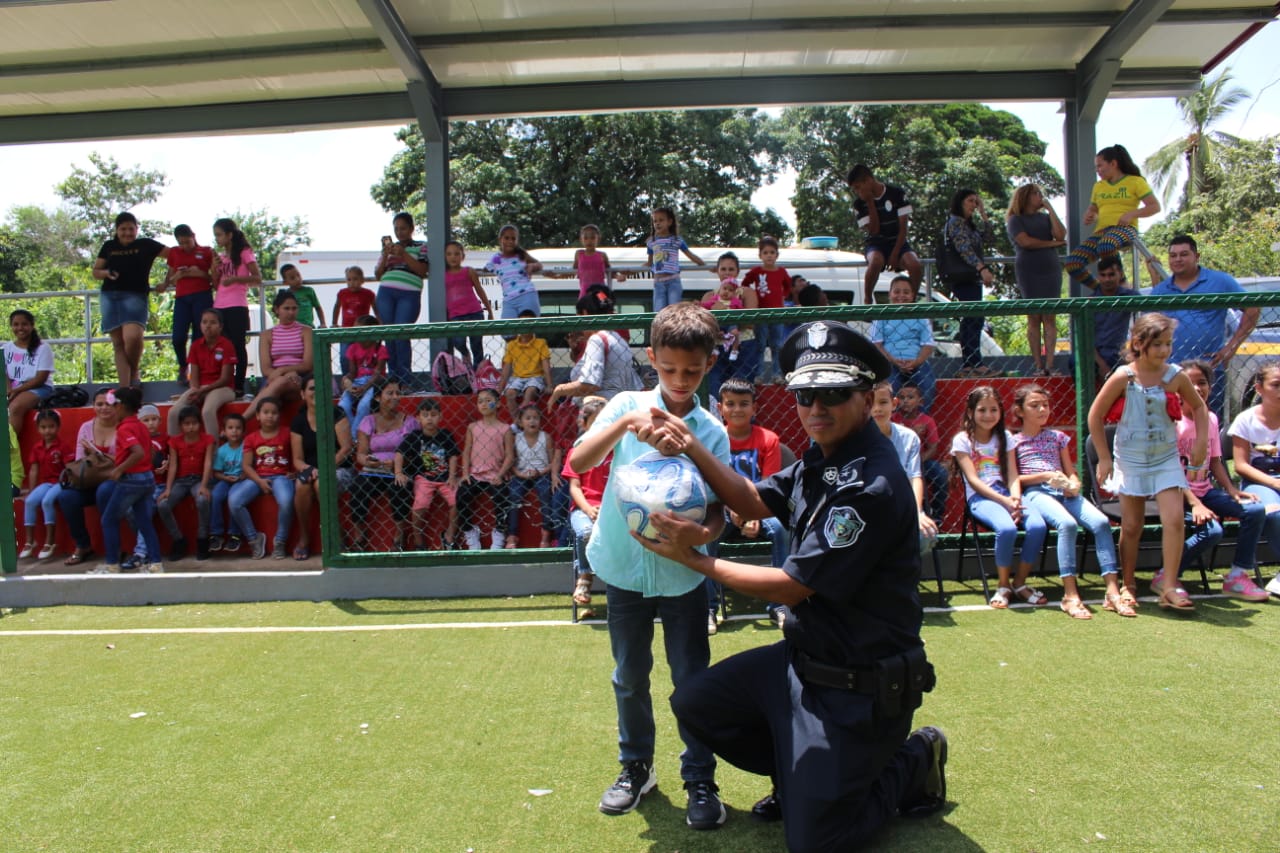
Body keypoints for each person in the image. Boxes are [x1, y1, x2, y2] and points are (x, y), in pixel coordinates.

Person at [629, 319, 946, 848]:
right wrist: (692, 448)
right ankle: (799, 780)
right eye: (804, 395)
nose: (816, 408)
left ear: (867, 397)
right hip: (803, 664)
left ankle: (913, 759)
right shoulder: (824, 458)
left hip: (859, 687)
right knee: (696, 703)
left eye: (833, 394)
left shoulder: (871, 483)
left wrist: (694, 559)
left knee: (815, 843)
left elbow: (790, 587)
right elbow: (752, 500)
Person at [568, 302, 730, 831]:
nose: (680, 380)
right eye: (669, 368)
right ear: (652, 359)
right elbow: (579, 462)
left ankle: (700, 778)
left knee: (692, 680)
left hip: (683, 574)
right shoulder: (625, 405)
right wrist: (626, 425)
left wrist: (698, 537)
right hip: (623, 569)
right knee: (629, 675)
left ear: (709, 364)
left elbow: (718, 512)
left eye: (692, 371)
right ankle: (636, 768)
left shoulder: (710, 431)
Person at [1088, 314, 1208, 613]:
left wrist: (1201, 443)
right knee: (1132, 525)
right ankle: (1128, 584)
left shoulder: (1175, 376)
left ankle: (1169, 586)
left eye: (1168, 343)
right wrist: (1104, 457)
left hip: (1165, 457)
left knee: (1174, 519)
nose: (1164, 350)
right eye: (1157, 344)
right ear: (1138, 344)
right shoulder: (1123, 377)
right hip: (1131, 458)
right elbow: (1095, 416)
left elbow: (1199, 407)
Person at [1012, 383, 1120, 619]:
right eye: (1034, 406)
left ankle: (1112, 591)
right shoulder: (1014, 441)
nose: (1042, 410)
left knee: (1101, 522)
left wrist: (1074, 485)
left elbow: (1071, 472)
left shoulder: (1057, 438)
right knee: (1067, 524)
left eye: (1045, 405)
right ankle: (1070, 595)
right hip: (1037, 492)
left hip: (1065, 491)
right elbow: (1014, 478)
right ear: (1019, 411)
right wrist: (1044, 476)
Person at [1164, 360, 1270, 601]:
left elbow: (1214, 461)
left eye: (1202, 382)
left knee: (1254, 510)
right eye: (1189, 383)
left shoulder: (1210, 418)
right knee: (1212, 531)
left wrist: (1232, 490)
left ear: (1210, 387)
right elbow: (1169, 471)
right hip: (1176, 494)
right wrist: (1195, 504)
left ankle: (1237, 576)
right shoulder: (1172, 421)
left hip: (1205, 491)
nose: (1197, 388)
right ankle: (1168, 574)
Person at [950, 385, 1049, 608]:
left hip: (1008, 494)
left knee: (1037, 526)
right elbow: (973, 480)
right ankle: (1003, 586)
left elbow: (1013, 474)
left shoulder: (1005, 437)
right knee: (1007, 529)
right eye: (982, 410)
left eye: (993, 410)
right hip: (981, 498)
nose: (988, 415)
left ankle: (1020, 583)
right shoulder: (962, 440)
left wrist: (1015, 499)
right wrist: (1005, 502)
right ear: (970, 412)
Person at [1149, 234, 1258, 416]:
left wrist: (1231, 347)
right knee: (1171, 422)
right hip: (1170, 371)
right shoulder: (1161, 290)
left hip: (1208, 370)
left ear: (1196, 256)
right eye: (1173, 255)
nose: (1178, 259)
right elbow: (1150, 327)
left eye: (1184, 254)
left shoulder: (1220, 281)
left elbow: (1253, 309)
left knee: (1210, 421)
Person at [715, 377, 789, 628]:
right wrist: (735, 509)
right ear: (720, 408)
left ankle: (780, 605)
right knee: (705, 532)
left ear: (755, 408)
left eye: (744, 404)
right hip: (725, 507)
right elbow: (714, 483)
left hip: (760, 506)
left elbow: (768, 484)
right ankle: (708, 607)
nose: (737, 409)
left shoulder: (769, 439)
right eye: (730, 404)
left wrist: (752, 513)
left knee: (780, 528)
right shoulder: (714, 440)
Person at [1065, 144, 1161, 292]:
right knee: (1073, 263)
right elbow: (1093, 208)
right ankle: (1103, 289)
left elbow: (1154, 206)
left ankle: (1122, 282)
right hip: (1102, 231)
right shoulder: (1098, 186)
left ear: (1113, 164)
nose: (1097, 170)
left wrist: (1131, 214)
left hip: (1125, 229)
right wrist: (1090, 215)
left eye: (1100, 166)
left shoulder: (1135, 182)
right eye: (1096, 167)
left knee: (1106, 245)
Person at [92, 212, 170, 387]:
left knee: (133, 337)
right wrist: (106, 273)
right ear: (116, 230)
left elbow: (175, 256)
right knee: (118, 344)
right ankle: (125, 387)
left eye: (131, 229)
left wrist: (166, 281)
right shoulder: (109, 246)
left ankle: (134, 370)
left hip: (135, 295)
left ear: (136, 229)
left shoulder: (146, 244)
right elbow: (96, 271)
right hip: (110, 296)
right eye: (123, 229)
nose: (127, 233)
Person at [93, 387, 164, 575]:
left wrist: (119, 469)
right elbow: (149, 452)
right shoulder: (141, 426)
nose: (110, 409)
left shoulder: (125, 428)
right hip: (148, 479)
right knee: (144, 522)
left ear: (121, 406)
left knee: (109, 519)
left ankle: (112, 564)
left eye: (113, 405)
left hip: (132, 480)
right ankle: (156, 563)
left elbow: (138, 452)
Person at [1227, 360, 1280, 599]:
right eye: (1276, 385)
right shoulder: (1246, 420)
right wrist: (1274, 483)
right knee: (1275, 513)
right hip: (1258, 483)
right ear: (1259, 388)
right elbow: (1241, 466)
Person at [870, 380, 941, 557]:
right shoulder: (855, 438)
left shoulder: (909, 438)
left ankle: (901, 572)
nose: (877, 409)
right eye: (871, 403)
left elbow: (915, 477)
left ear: (894, 404)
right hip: (870, 507)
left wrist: (917, 512)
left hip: (903, 505)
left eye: (883, 402)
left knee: (924, 535)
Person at [347, 377, 417, 551]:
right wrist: (367, 461)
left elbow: (414, 454)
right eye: (390, 393)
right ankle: (359, 536)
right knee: (358, 487)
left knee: (399, 487)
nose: (395, 397)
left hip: (399, 469)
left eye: (398, 393)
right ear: (378, 397)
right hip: (374, 470)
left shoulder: (409, 422)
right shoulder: (368, 421)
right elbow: (361, 454)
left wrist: (395, 464)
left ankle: (399, 537)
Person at [545, 287, 644, 406]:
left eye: (577, 316)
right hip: (617, 406)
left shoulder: (597, 340)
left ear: (585, 313)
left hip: (600, 409)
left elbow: (590, 384)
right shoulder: (616, 338)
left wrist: (560, 390)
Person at [290, 375, 354, 560]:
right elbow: (297, 459)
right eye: (311, 388)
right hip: (312, 470)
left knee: (321, 484)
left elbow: (346, 449)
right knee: (301, 486)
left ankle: (337, 535)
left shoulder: (337, 413)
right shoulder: (298, 421)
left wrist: (325, 469)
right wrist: (309, 470)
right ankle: (304, 538)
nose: (316, 392)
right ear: (302, 394)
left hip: (339, 469)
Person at [1006, 184, 1067, 375]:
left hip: (1050, 268)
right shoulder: (1015, 219)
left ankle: (1050, 364)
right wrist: (1052, 244)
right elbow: (1025, 242)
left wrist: (1050, 209)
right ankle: (1038, 365)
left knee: (1050, 316)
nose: (1040, 196)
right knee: (1033, 316)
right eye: (1036, 193)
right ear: (1025, 197)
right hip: (1029, 269)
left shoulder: (1045, 218)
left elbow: (1061, 234)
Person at [57, 387, 120, 567]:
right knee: (66, 497)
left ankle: (112, 549)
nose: (104, 408)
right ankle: (83, 545)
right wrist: (104, 458)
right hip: (89, 481)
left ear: (117, 405)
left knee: (104, 491)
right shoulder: (85, 427)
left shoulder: (124, 427)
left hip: (116, 480)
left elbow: (125, 461)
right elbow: (80, 461)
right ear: (93, 406)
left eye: (108, 404)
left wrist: (96, 454)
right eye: (99, 404)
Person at [846, 164, 924, 305]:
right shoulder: (859, 204)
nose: (857, 192)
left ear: (868, 180)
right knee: (876, 261)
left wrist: (895, 254)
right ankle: (868, 298)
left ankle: (912, 300)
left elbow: (903, 229)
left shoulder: (897, 194)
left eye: (858, 187)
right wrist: (870, 202)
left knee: (915, 265)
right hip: (876, 244)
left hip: (898, 241)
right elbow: (874, 231)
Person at [940, 188, 998, 377]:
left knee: (975, 317)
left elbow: (989, 238)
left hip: (971, 277)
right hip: (963, 276)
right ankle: (972, 362)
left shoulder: (969, 224)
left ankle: (972, 362)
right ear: (960, 202)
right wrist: (982, 269)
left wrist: (983, 214)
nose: (974, 205)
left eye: (976, 201)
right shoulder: (956, 222)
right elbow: (964, 249)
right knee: (972, 317)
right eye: (970, 201)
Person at [228, 397, 294, 560]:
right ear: (257, 415)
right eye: (266, 412)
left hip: (281, 477)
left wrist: (294, 472)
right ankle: (254, 539)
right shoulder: (251, 438)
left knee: (286, 501)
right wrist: (259, 481)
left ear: (279, 415)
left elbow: (297, 455)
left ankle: (280, 541)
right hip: (257, 477)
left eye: (274, 412)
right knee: (234, 501)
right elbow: (246, 465)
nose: (270, 416)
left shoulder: (287, 433)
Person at [393, 397, 461, 552]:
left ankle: (449, 535)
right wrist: (398, 472)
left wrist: (452, 476)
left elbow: (453, 456)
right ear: (418, 418)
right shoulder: (415, 436)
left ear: (440, 416)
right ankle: (418, 539)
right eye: (425, 415)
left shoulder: (445, 434)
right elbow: (399, 453)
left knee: (457, 501)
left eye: (433, 415)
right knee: (419, 506)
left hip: (444, 478)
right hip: (424, 478)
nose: (429, 418)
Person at [562, 397, 609, 611]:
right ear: (584, 423)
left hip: (613, 509)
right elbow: (575, 488)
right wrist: (589, 509)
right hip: (585, 508)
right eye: (596, 421)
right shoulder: (577, 451)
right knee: (586, 532)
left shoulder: (618, 450)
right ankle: (585, 577)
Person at [457, 387, 515, 550]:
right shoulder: (473, 427)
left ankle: (499, 532)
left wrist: (501, 474)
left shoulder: (505, 429)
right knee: (462, 496)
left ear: (498, 404)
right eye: (480, 401)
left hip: (496, 475)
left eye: (488, 401)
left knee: (502, 499)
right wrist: (465, 473)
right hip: (476, 474)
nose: (483, 404)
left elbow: (510, 455)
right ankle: (469, 531)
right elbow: (467, 450)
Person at [374, 211, 428, 382]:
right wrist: (385, 255)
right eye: (396, 229)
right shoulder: (389, 249)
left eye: (403, 228)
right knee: (389, 335)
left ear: (411, 228)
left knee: (401, 333)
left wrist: (404, 254)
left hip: (409, 293)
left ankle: (405, 380)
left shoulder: (422, 246)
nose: (399, 232)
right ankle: (392, 380)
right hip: (386, 292)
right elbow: (378, 275)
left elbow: (422, 270)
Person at [869, 275, 936, 412]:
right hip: (889, 362)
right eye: (897, 291)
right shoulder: (881, 315)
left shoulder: (920, 315)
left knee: (928, 385)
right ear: (890, 294)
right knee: (889, 388)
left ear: (912, 295)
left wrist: (916, 362)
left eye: (906, 292)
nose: (901, 296)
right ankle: (893, 419)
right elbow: (876, 344)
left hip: (916, 361)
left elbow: (928, 345)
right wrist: (894, 360)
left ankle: (922, 418)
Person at [156, 406, 215, 561]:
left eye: (194, 423)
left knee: (202, 500)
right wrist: (168, 489)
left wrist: (204, 485)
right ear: (181, 426)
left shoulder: (208, 439)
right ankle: (178, 540)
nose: (191, 427)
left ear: (200, 424)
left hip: (199, 479)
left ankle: (203, 539)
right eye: (187, 424)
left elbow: (208, 463)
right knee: (163, 505)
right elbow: (173, 466)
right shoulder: (174, 442)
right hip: (181, 481)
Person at [210, 218, 261, 399]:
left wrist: (237, 279)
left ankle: (239, 385)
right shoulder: (221, 256)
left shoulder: (245, 252)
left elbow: (257, 277)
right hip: (219, 305)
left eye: (219, 235)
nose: (217, 238)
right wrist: (214, 269)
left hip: (237, 304)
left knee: (238, 346)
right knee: (221, 346)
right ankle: (224, 382)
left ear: (229, 235)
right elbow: (216, 284)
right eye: (215, 235)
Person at [244, 290, 312, 421]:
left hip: (299, 379)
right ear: (277, 310)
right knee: (280, 382)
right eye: (286, 308)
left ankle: (243, 420)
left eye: (294, 308)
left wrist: (284, 371)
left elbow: (308, 365)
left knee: (280, 382)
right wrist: (284, 374)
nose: (291, 312)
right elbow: (265, 369)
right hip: (274, 379)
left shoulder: (306, 331)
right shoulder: (266, 335)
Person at [169, 308, 237, 438]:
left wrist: (203, 390)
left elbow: (225, 379)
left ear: (220, 326)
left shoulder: (227, 345)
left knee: (207, 411)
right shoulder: (195, 346)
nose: (208, 326)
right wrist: (195, 390)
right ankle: (173, 449)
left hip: (223, 388)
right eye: (204, 322)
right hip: (200, 388)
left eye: (213, 322)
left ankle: (213, 449)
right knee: (173, 412)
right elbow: (194, 376)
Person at [160, 224, 214, 382]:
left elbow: (214, 278)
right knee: (178, 337)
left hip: (202, 296)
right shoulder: (175, 253)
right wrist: (176, 277)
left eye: (187, 242)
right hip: (182, 298)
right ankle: (183, 365)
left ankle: (197, 370)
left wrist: (199, 273)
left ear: (193, 236)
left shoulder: (207, 251)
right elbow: (170, 279)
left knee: (199, 336)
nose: (185, 246)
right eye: (181, 243)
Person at [704, 252, 759, 400]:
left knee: (741, 387)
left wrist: (725, 313)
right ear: (717, 271)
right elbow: (703, 324)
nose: (727, 272)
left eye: (731, 269)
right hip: (716, 346)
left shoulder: (747, 292)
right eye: (723, 269)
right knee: (714, 386)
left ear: (737, 271)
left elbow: (750, 321)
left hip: (744, 345)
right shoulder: (709, 296)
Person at [505, 403, 559, 549]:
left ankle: (546, 534)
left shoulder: (545, 437)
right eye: (528, 418)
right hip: (522, 473)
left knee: (545, 492)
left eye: (535, 418)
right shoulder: (516, 438)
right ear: (520, 422)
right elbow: (512, 462)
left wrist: (541, 472)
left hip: (542, 473)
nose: (532, 421)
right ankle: (512, 535)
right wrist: (519, 474)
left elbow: (552, 461)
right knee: (514, 494)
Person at [893, 381, 948, 524]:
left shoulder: (926, 421)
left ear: (921, 401)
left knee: (941, 474)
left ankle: (937, 515)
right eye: (902, 397)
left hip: (921, 459)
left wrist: (918, 460)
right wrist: (911, 432)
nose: (905, 401)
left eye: (910, 397)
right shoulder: (893, 419)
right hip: (896, 459)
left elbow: (933, 448)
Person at [19, 409, 70, 561]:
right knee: (30, 501)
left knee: (47, 501)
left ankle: (50, 541)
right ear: (38, 428)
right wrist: (31, 490)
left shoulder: (63, 446)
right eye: (43, 427)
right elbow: (34, 469)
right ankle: (30, 541)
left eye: (51, 426)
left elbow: (69, 468)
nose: (47, 430)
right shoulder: (37, 447)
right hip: (46, 483)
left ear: (58, 427)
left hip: (61, 482)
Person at [741, 235, 793, 382]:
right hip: (761, 313)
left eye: (772, 252)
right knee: (760, 345)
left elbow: (788, 285)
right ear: (760, 255)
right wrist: (750, 299)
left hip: (777, 313)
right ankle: (759, 374)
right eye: (765, 252)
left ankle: (777, 374)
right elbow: (745, 284)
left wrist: (783, 297)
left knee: (777, 345)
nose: (769, 255)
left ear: (777, 255)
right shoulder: (756, 271)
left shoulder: (781, 272)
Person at [1089, 257, 1140, 382]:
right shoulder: (1090, 301)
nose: (1107, 279)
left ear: (1120, 274)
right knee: (1075, 361)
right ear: (1098, 276)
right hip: (1093, 354)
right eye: (1103, 275)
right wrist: (1103, 366)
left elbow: (1149, 316)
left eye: (1111, 275)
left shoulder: (1129, 296)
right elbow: (1085, 341)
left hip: (1117, 353)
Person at [443, 240, 493, 367]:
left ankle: (478, 372)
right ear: (444, 256)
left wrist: (489, 310)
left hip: (474, 312)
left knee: (476, 345)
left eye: (456, 254)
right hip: (455, 315)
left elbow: (480, 290)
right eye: (449, 254)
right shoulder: (443, 275)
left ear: (462, 256)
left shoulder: (468, 271)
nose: (453, 257)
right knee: (458, 341)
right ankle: (465, 354)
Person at [644, 207, 704, 312]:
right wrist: (630, 272)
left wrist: (704, 265)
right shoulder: (651, 242)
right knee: (659, 312)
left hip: (673, 280)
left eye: (661, 220)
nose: (657, 223)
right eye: (655, 221)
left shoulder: (676, 240)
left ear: (669, 222)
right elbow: (649, 263)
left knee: (674, 310)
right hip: (659, 282)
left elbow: (690, 255)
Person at [338, 315, 388, 442]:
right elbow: (352, 372)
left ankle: (354, 438)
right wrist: (346, 379)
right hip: (358, 381)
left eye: (359, 330)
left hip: (374, 383)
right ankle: (351, 433)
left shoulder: (380, 349)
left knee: (363, 406)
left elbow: (377, 374)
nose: (356, 333)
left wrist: (364, 388)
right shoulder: (352, 348)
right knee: (343, 405)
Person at [5, 308, 54, 426]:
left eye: (24, 324)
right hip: (13, 388)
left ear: (32, 326)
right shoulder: (7, 348)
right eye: (16, 324)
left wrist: (16, 391)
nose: (20, 328)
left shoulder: (43, 348)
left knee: (15, 407)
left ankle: (9, 439)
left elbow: (40, 379)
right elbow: (4, 374)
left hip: (40, 388)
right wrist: (9, 390)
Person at [500, 310, 553, 417]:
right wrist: (500, 387)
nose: (525, 327)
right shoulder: (512, 345)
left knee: (530, 391)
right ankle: (518, 420)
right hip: (517, 378)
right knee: (509, 393)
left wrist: (549, 385)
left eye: (528, 323)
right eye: (522, 323)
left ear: (534, 326)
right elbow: (507, 368)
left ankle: (522, 417)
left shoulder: (540, 343)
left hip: (535, 376)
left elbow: (546, 366)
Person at [208, 413, 247, 555]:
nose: (234, 431)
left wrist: (244, 475)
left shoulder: (246, 447)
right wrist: (225, 478)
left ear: (243, 431)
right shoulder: (221, 451)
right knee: (215, 496)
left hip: (242, 481)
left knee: (233, 498)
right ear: (223, 431)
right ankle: (216, 534)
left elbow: (250, 466)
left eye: (238, 428)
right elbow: (216, 472)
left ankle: (235, 535)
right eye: (230, 428)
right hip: (225, 480)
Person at [545, 224, 620, 296]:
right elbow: (573, 271)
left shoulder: (602, 255)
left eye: (593, 238)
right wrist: (556, 276)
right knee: (583, 304)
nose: (589, 241)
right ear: (581, 239)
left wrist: (618, 276)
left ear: (598, 239)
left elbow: (610, 271)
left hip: (600, 291)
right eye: (586, 238)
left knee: (603, 304)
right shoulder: (579, 254)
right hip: (585, 291)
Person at [486, 224, 543, 319]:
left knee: (527, 326)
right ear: (500, 239)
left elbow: (539, 264)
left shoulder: (521, 255)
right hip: (508, 300)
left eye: (513, 239)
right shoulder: (496, 258)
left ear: (517, 241)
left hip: (526, 295)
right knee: (507, 327)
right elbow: (486, 269)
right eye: (506, 238)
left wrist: (532, 266)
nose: (510, 241)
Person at [333, 265, 379, 375]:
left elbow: (376, 308)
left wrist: (379, 322)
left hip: (363, 330)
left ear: (362, 280)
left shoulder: (368, 294)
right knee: (344, 356)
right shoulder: (342, 293)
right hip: (346, 331)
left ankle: (363, 376)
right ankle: (346, 377)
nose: (352, 282)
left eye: (355, 279)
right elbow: (337, 307)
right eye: (349, 280)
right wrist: (334, 323)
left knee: (363, 355)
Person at [279, 263, 325, 328]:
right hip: (292, 328)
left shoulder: (309, 291)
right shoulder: (285, 295)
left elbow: (318, 307)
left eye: (298, 275)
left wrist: (323, 323)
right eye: (292, 278)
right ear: (285, 282)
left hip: (308, 327)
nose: (297, 279)